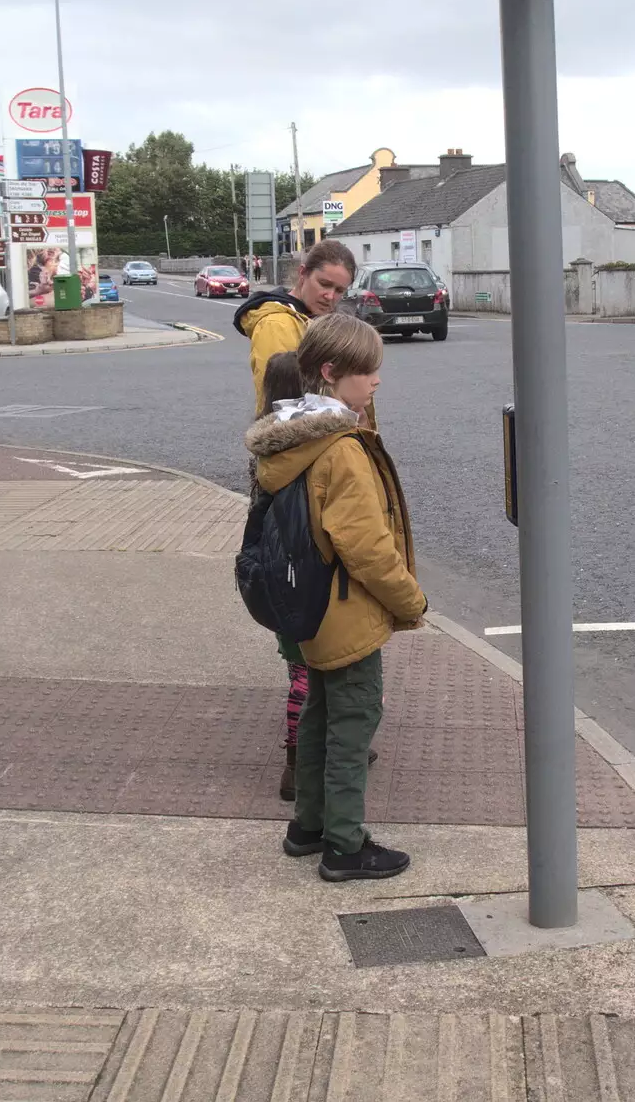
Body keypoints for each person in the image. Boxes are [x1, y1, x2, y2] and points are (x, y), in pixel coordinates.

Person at [245, 313, 424, 882]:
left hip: (309, 606)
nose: (376, 382)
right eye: (366, 371)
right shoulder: (341, 448)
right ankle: (346, 847)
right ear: (330, 371)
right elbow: (367, 546)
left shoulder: (293, 436)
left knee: (321, 716)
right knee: (354, 721)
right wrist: (409, 600)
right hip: (345, 610)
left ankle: (308, 827)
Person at [255, 351, 314, 801]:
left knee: (299, 671)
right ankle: (296, 762)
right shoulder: (307, 443)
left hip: (275, 572)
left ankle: (304, 755)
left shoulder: (263, 438)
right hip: (306, 573)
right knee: (310, 674)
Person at [233, 239, 356, 417]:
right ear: (303, 273)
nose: (330, 296)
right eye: (324, 284)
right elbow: (283, 403)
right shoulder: (277, 324)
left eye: (339, 290)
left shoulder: (320, 318)